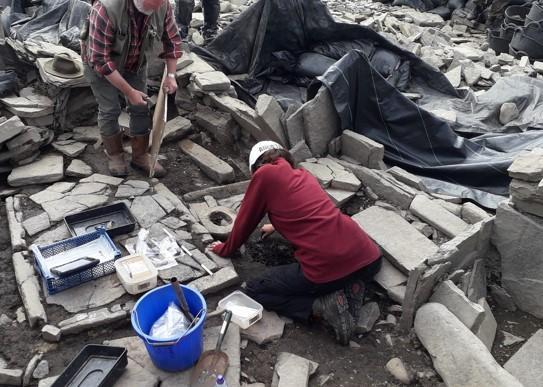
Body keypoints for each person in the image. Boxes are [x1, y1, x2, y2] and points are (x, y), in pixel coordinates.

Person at [211, 141, 382, 345]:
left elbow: (244, 223)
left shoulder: (264, 174)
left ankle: (319, 306)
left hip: (325, 267)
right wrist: (275, 226)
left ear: (255, 166)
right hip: (368, 258)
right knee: (340, 269)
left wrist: (225, 249)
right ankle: (349, 286)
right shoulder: (302, 175)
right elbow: (311, 212)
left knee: (256, 289)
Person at [81, 0, 182, 177]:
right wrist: (129, 91)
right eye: (151, 4)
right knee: (110, 109)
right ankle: (115, 155)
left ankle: (140, 155)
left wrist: (171, 75)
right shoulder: (106, 9)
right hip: (102, 67)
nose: (156, 9)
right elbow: (100, 60)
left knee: (141, 106)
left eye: (158, 4)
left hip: (135, 63)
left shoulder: (163, 5)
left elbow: (172, 41)